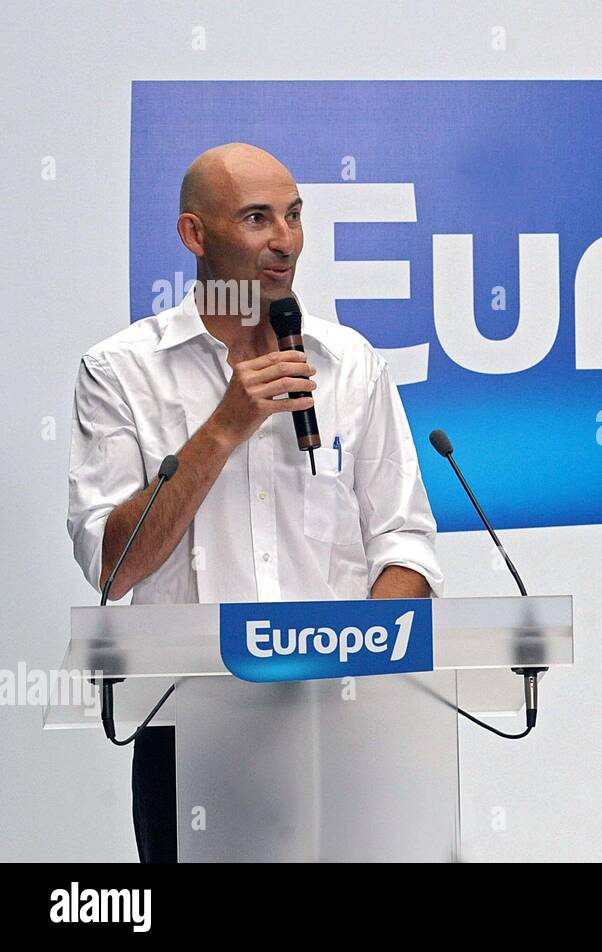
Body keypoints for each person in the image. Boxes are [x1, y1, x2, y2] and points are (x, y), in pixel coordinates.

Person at [66, 143, 444, 862]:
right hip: (188, 733)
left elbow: (405, 543)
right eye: (256, 218)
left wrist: (358, 664)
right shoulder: (120, 372)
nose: (285, 241)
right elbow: (113, 565)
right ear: (193, 234)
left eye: (295, 216)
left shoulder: (351, 365)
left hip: (341, 727)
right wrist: (224, 428)